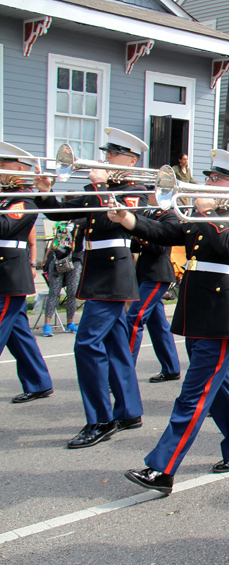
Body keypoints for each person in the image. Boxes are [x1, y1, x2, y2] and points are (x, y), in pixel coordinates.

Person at [113, 148, 229, 494]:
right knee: (220, 389)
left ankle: (162, 468)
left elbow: (227, 244)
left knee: (192, 396)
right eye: (208, 177)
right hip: (196, 312)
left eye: (215, 179)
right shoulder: (201, 216)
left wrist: (206, 212)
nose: (206, 183)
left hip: (221, 315)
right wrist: (129, 221)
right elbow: (167, 234)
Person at [35, 128, 148, 448]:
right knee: (114, 346)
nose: (105, 158)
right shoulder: (101, 190)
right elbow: (63, 214)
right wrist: (45, 193)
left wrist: (99, 184)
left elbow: (116, 219)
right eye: (107, 153)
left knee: (85, 345)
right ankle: (127, 411)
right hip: (99, 274)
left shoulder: (134, 189)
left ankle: (100, 420)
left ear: (130, 159)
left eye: (112, 154)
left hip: (114, 273)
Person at [0, 141, 54, 404]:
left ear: (19, 169)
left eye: (2, 165)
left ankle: (38, 381)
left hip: (8, 273)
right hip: (6, 271)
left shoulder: (24, 197)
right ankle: (38, 381)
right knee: (17, 331)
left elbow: (3, 227)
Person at [126, 196, 181, 383]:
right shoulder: (143, 212)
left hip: (158, 274)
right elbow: (133, 244)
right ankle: (171, 368)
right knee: (158, 325)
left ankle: (124, 371)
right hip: (145, 273)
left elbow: (159, 246)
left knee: (134, 319)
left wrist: (139, 231)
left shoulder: (169, 215)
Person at [41, 220, 83, 336]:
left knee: (72, 292)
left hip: (75, 259)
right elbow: (55, 240)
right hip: (57, 259)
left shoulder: (82, 222)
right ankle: (47, 324)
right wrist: (46, 257)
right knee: (54, 292)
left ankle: (70, 323)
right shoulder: (61, 224)